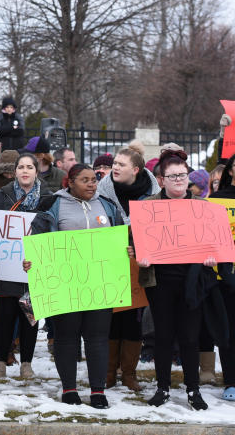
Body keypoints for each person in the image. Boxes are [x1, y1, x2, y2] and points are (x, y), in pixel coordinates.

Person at [26, 163, 126, 408]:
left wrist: (128, 249)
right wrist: (31, 261)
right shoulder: (53, 206)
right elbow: (36, 241)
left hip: (101, 284)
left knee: (98, 338)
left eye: (94, 179)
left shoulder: (108, 206)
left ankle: (97, 391)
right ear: (70, 182)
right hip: (66, 285)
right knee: (66, 337)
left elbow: (123, 236)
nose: (92, 184)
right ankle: (69, 388)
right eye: (85, 180)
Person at [138, 149, 213, 410]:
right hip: (160, 282)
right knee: (164, 335)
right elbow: (135, 240)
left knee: (190, 336)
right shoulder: (149, 207)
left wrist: (211, 257)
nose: (180, 180)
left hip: (191, 281)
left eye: (183, 175)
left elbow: (213, 242)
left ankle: (193, 389)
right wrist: (140, 255)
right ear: (161, 180)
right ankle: (163, 388)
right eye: (173, 176)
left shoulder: (202, 207)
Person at [95, 147, 157, 392]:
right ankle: (109, 373)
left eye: (122, 164)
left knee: (133, 321)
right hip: (109, 262)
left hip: (139, 266)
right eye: (115, 163)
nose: (116, 167)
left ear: (136, 170)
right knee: (111, 318)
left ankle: (129, 374)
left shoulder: (154, 194)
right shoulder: (101, 193)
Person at [0, 153, 42, 380]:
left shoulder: (47, 198)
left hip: (34, 268)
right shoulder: (3, 196)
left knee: (30, 317)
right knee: (4, 317)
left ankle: (27, 364)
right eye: (21, 167)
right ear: (15, 171)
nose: (25, 171)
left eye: (29, 167)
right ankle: (0, 361)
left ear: (36, 171)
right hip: (8, 269)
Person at [208, 154, 235, 401]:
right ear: (231, 170)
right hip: (225, 276)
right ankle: (231, 381)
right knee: (229, 331)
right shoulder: (217, 199)